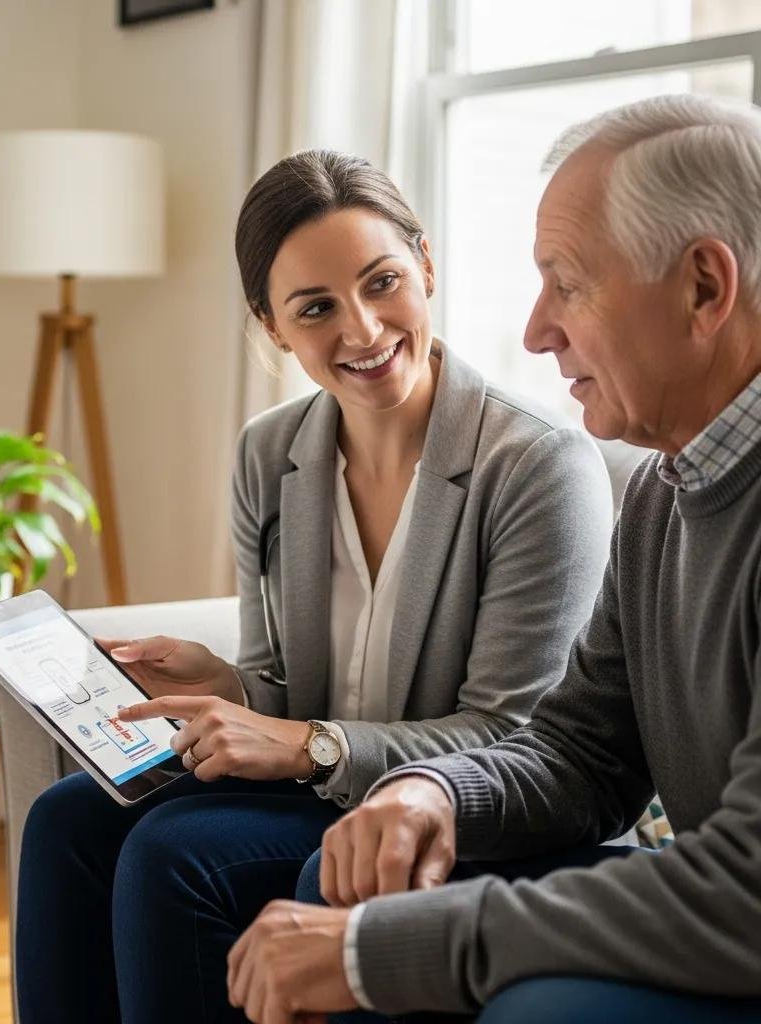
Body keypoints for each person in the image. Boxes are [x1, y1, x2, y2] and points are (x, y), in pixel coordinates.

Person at [14, 150, 613, 1023]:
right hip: (325, 778)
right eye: (316, 309)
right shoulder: (271, 455)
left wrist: (310, 746)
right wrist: (221, 685)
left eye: (383, 283)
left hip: (450, 802)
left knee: (174, 854)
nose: (363, 330)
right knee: (67, 821)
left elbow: (511, 736)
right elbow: (285, 687)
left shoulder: (535, 468)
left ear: (427, 267)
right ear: (272, 327)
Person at [230, 95, 761, 1024]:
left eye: (569, 283)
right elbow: (581, 751)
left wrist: (390, 952)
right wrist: (436, 791)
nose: (535, 330)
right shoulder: (663, 495)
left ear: (705, 288)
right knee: (347, 874)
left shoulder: (556, 464)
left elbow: (746, 892)